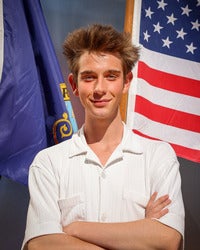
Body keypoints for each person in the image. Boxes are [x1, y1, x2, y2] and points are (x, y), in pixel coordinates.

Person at [22, 24, 185, 250]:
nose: (100, 88)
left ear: (126, 82)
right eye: (89, 77)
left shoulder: (158, 156)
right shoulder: (48, 162)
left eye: (111, 76)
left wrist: (74, 228)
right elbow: (41, 244)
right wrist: (140, 231)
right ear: (74, 85)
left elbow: (168, 240)